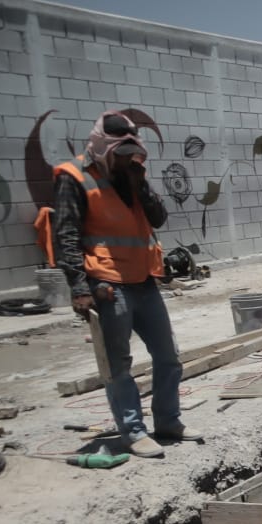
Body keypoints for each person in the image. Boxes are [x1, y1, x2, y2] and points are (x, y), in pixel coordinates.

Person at [54, 111, 198, 458]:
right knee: (119, 364)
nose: (127, 162)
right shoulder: (74, 177)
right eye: (120, 156)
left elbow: (159, 219)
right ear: (104, 150)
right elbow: (66, 235)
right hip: (108, 283)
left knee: (168, 357)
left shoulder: (133, 176)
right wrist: (79, 286)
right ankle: (133, 431)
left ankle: (168, 422)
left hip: (144, 279)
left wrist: (140, 185)